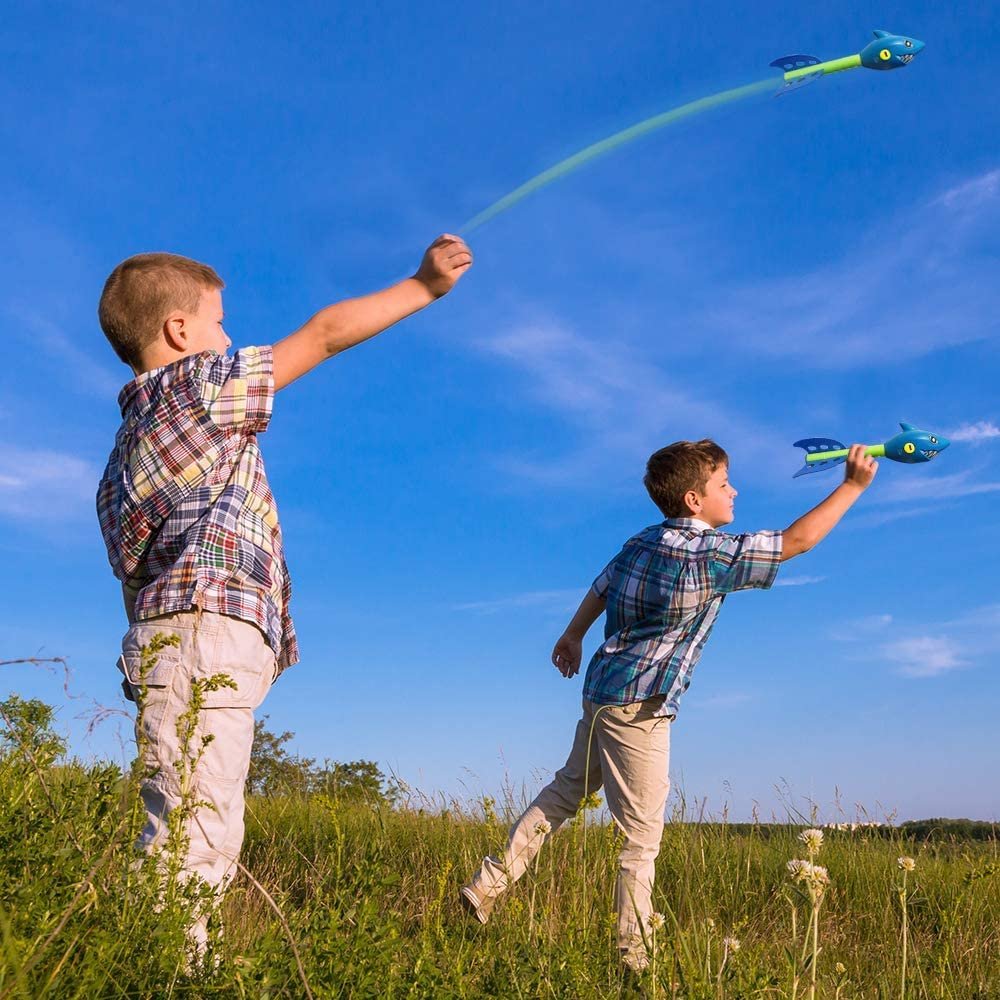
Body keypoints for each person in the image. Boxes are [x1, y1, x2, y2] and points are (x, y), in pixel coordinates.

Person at [96, 236, 472, 951]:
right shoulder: (203, 386)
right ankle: (161, 971)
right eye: (218, 320)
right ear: (180, 332)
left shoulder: (122, 453)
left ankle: (161, 961)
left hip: (166, 641)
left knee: (187, 819)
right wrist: (423, 287)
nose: (229, 336)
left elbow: (132, 575)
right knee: (197, 835)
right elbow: (324, 336)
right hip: (204, 635)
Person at [460, 439, 877, 971]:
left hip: (603, 694)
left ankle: (487, 886)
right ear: (693, 499)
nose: (735, 491)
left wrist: (571, 635)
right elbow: (797, 541)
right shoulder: (710, 556)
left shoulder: (641, 542)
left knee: (566, 792)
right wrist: (851, 485)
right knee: (642, 837)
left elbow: (601, 587)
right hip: (640, 707)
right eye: (724, 484)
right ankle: (635, 956)